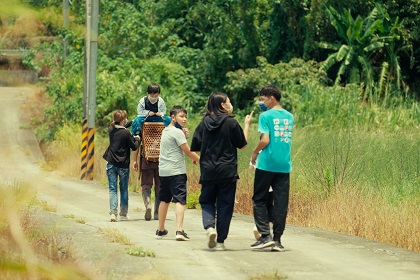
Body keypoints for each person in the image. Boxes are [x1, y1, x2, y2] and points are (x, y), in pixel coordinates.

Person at [191, 92, 253, 251]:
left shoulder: (204, 123)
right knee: (225, 205)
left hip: (208, 169)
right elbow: (243, 144)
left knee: (206, 201)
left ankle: (210, 227)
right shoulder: (231, 123)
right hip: (227, 170)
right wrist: (247, 125)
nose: (230, 104)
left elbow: (195, 145)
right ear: (222, 105)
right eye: (229, 101)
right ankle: (220, 242)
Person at [250, 85, 294, 252]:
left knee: (259, 199)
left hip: (267, 163)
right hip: (284, 165)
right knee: (281, 202)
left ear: (272, 98)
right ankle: (277, 240)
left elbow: (265, 140)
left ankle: (264, 235)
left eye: (263, 99)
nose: (262, 102)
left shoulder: (265, 116)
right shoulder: (290, 117)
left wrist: (255, 152)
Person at [155, 106, 200, 241]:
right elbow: (187, 150)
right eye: (181, 116)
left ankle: (160, 229)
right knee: (180, 200)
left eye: (186, 116)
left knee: (164, 199)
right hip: (176, 171)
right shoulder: (177, 132)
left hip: (163, 171)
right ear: (173, 117)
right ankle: (179, 231)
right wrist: (200, 160)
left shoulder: (166, 131)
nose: (184, 119)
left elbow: (176, 147)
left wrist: (183, 135)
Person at [103, 110, 141, 222]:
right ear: (123, 120)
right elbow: (134, 146)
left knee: (112, 189)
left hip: (111, 163)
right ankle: (123, 214)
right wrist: (138, 139)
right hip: (123, 165)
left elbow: (121, 126)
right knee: (123, 189)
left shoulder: (111, 129)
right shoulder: (126, 133)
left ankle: (113, 214)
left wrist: (129, 123)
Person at [132, 148, 160, 221]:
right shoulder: (163, 135)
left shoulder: (142, 135)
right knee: (160, 187)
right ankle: (157, 212)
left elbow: (136, 146)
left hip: (147, 160)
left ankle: (148, 203)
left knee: (146, 186)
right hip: (161, 160)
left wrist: (134, 161)